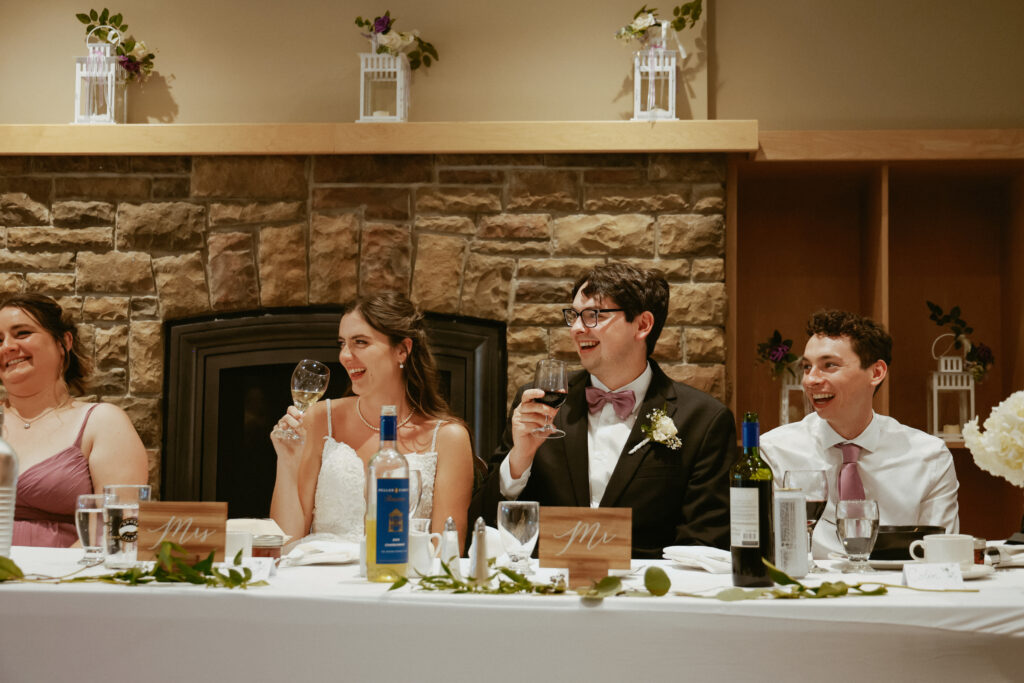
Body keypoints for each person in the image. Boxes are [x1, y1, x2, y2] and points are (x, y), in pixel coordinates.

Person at [478, 263, 737, 558]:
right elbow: (485, 523)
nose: (576, 328)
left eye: (593, 315)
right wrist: (520, 459)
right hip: (547, 588)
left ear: (642, 325)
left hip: (648, 594)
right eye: (573, 316)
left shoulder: (703, 420)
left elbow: (705, 544)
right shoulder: (536, 404)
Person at [270, 293, 476, 549]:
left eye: (360, 342)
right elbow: (285, 542)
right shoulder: (320, 418)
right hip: (320, 580)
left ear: (402, 350)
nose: (345, 355)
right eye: (342, 343)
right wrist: (286, 461)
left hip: (402, 581)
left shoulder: (448, 438)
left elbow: (446, 552)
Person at [760, 310, 960, 558]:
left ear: (876, 373)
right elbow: (772, 555)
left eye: (829, 365)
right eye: (807, 367)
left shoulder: (929, 456)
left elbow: (941, 556)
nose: (810, 380)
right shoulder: (774, 451)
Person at [0, 292, 148, 547]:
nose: (7, 347)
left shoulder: (102, 422)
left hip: (65, 580)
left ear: (63, 342)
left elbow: (121, 526)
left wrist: (51, 578)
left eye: (22, 333)